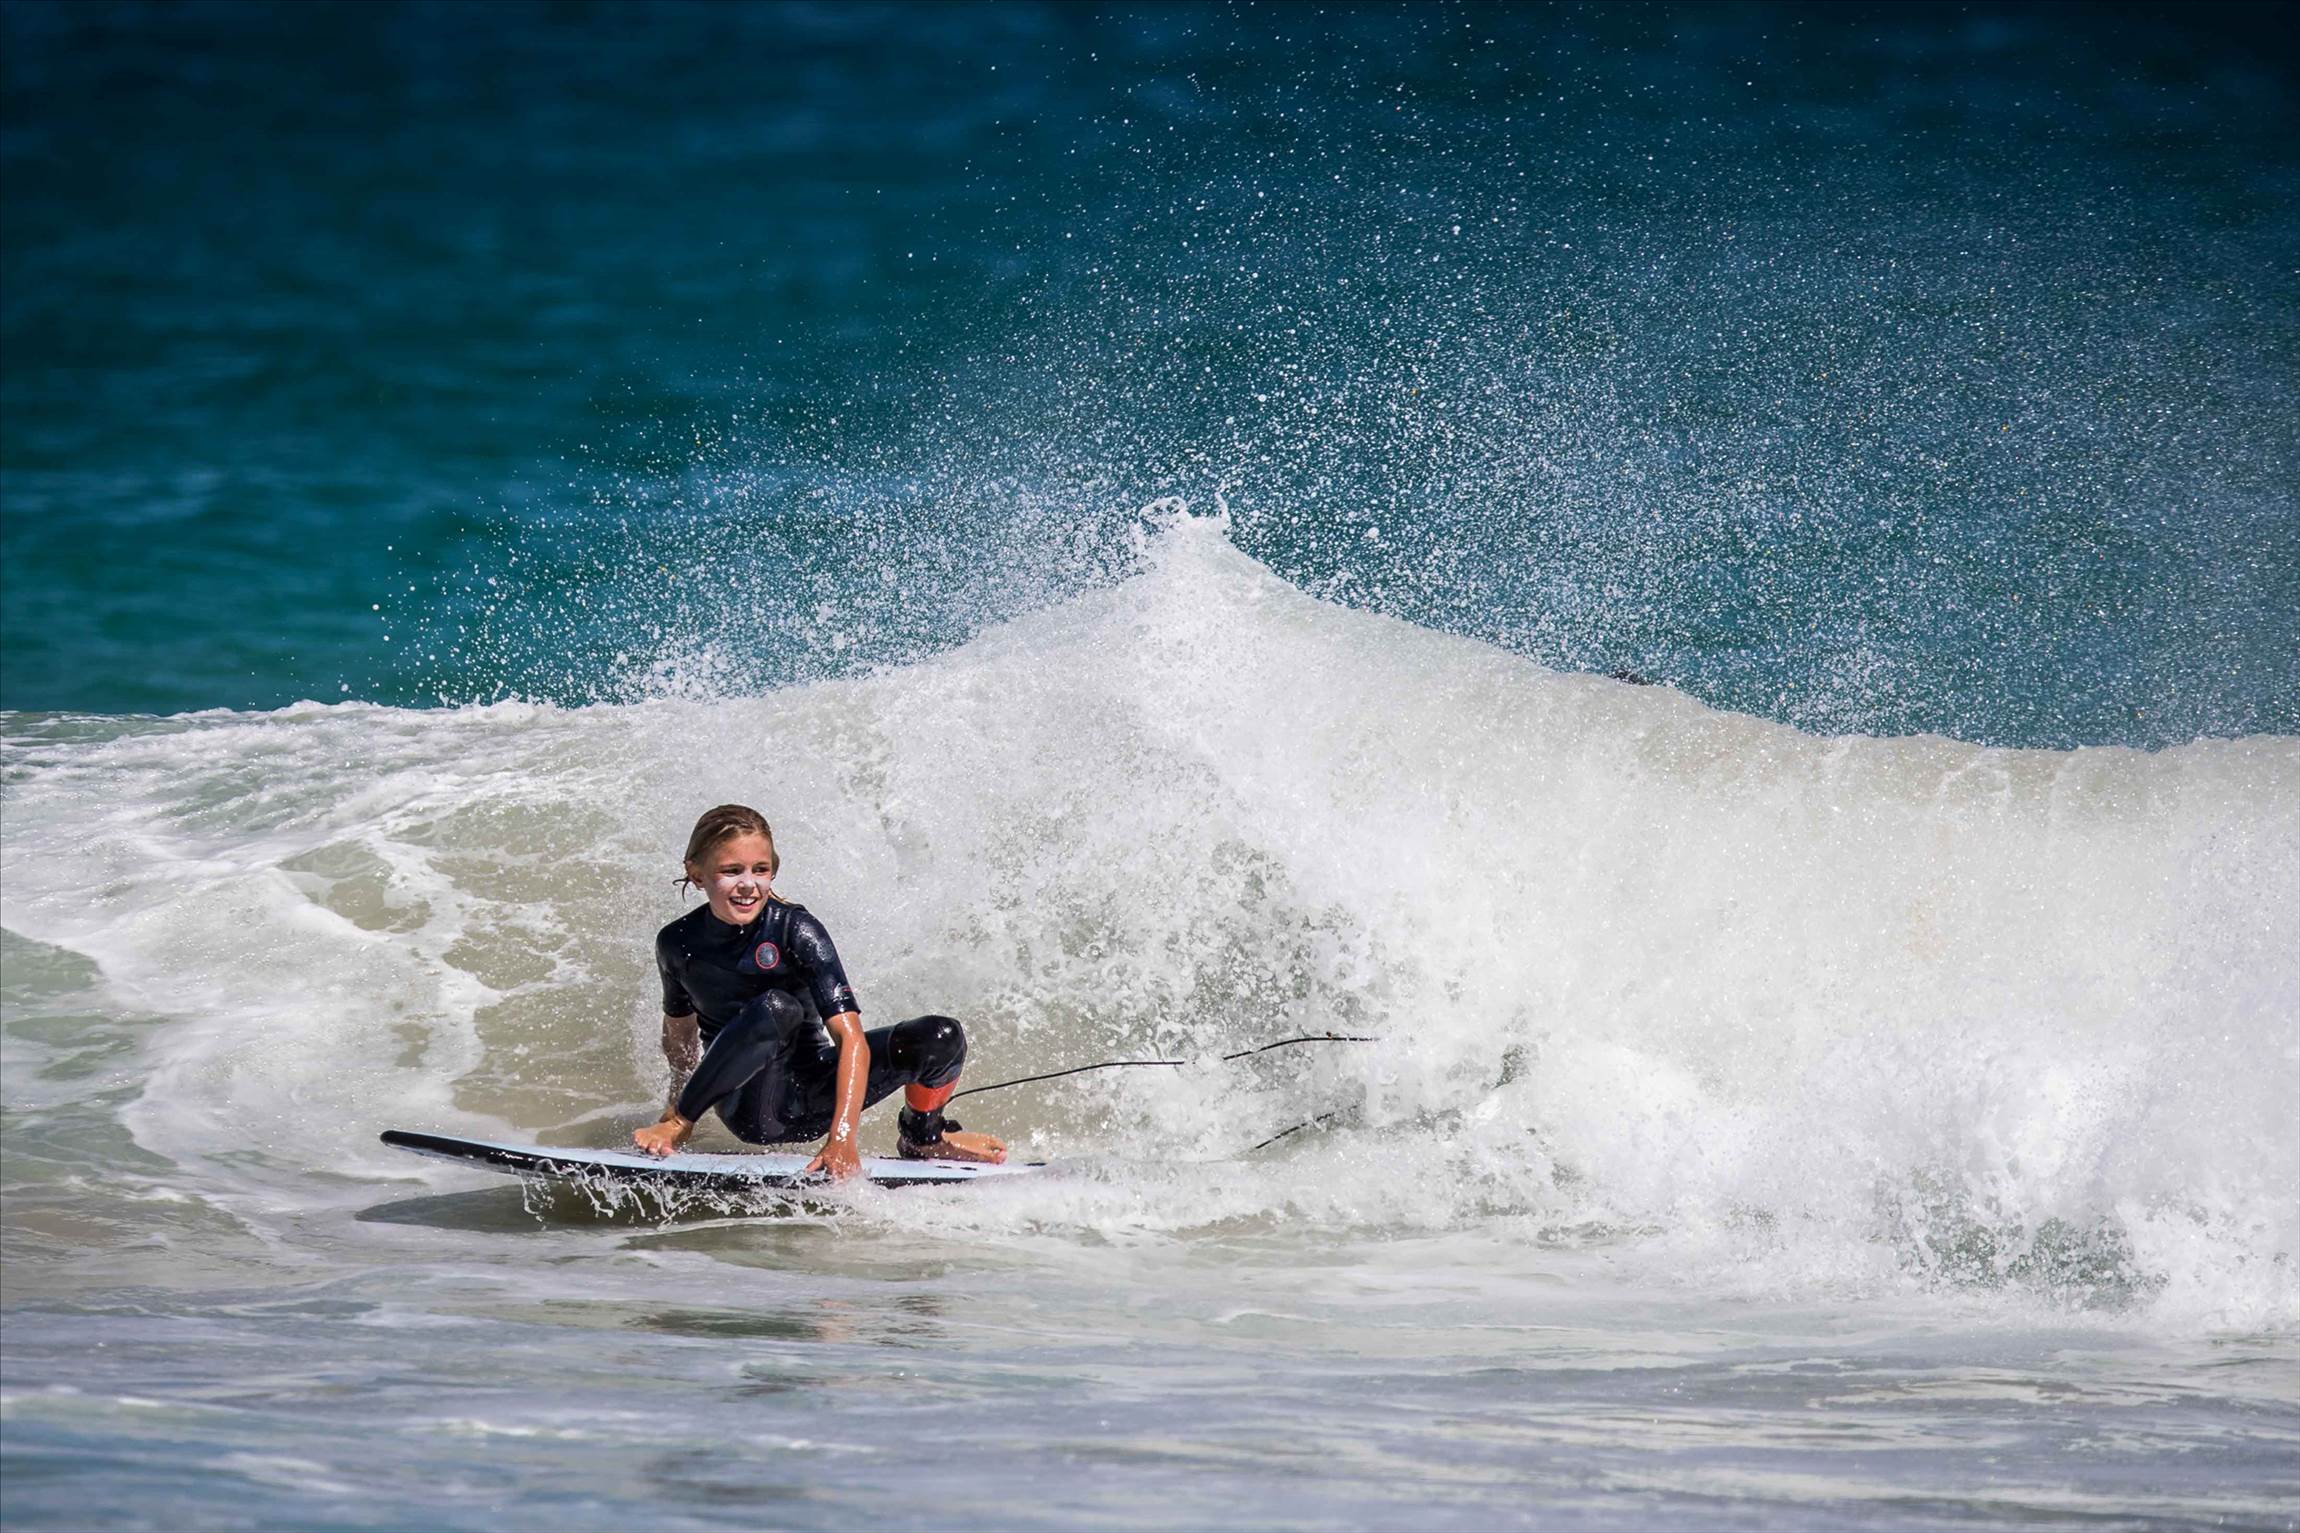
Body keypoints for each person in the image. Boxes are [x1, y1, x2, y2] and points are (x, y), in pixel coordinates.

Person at [631, 804, 1006, 1176]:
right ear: (696, 874)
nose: (749, 884)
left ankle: (923, 1137)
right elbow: (679, 1036)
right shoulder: (678, 943)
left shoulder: (797, 930)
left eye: (760, 870)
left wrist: (842, 1137)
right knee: (777, 1007)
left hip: (813, 1098)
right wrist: (675, 1113)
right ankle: (681, 1122)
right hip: (748, 1107)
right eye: (731, 871)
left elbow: (850, 1037)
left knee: (940, 1036)